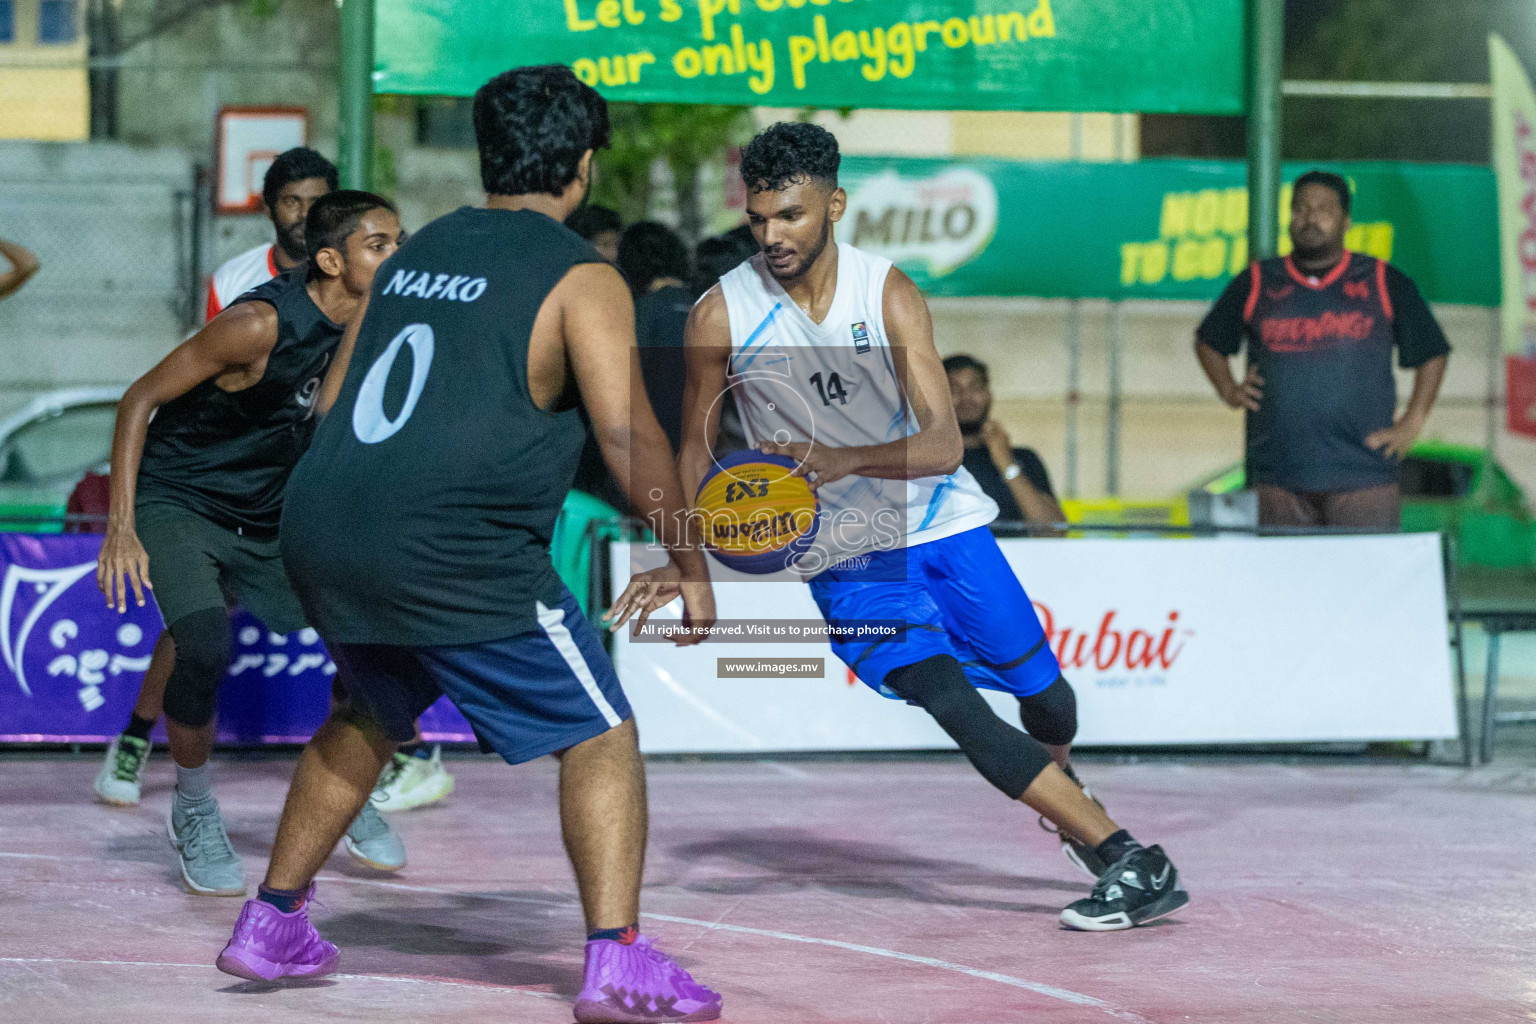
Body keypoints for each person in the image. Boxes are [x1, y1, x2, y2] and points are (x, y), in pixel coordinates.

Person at [216, 66, 723, 1024]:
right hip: (453, 544)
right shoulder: (582, 275)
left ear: (485, 155)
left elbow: (331, 398)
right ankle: (617, 962)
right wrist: (691, 564)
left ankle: (273, 921)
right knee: (600, 731)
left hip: (328, 516)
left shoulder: (415, 250)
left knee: (369, 706)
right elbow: (629, 438)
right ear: (581, 164)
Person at [678, 121, 1188, 932]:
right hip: (846, 555)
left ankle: (1061, 789)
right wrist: (694, 571)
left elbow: (945, 442)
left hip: (944, 524)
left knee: (1049, 702)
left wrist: (843, 459)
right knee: (948, 698)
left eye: (793, 217)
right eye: (761, 217)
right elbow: (691, 449)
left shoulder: (887, 294)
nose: (773, 235)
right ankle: (1130, 858)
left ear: (834, 205)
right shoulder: (720, 315)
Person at [97, 147, 453, 812]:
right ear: (331, 260)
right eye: (380, 245)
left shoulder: (381, 323)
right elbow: (138, 398)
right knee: (200, 643)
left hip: (268, 508)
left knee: (367, 635)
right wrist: (121, 527)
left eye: (400, 241)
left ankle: (348, 793)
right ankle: (192, 803)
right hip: (183, 499)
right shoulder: (258, 322)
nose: (397, 255)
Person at [1195, 169, 1451, 530]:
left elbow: (1432, 353)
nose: (1310, 217)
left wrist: (1413, 420)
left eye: (1323, 209)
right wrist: (1229, 389)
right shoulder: (1258, 281)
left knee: (1364, 583)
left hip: (1364, 476)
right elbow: (1209, 341)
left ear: (1346, 221)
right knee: (1287, 585)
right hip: (1279, 476)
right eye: (1300, 208)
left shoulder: (1381, 280)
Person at [206, 148, 337, 322]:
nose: (305, 214)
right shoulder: (231, 279)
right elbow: (213, 349)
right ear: (268, 208)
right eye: (292, 202)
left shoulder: (354, 277)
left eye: (316, 203)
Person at [943, 354, 1064, 528]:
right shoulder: (928, 463)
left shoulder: (1023, 458)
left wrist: (1006, 463)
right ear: (938, 398)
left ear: (988, 395)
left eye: (975, 388)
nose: (966, 398)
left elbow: (1054, 531)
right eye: (954, 390)